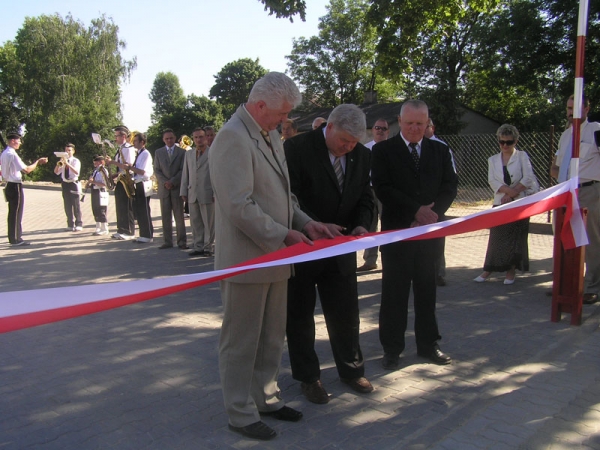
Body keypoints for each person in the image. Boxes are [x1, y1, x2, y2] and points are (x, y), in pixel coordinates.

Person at [209, 72, 336, 441]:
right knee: (241, 340)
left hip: (277, 257)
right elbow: (238, 206)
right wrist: (283, 235)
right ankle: (239, 411)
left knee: (270, 337)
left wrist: (308, 224)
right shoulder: (232, 137)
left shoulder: (268, 134)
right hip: (248, 260)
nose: (285, 122)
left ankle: (266, 397)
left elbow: (283, 196)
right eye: (281, 114)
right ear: (260, 105)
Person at [284, 104, 375, 404]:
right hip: (304, 247)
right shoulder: (296, 148)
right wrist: (313, 224)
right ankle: (309, 378)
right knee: (300, 316)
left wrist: (362, 225)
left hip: (341, 249)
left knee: (346, 314)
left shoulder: (362, 155)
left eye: (353, 143)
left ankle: (351, 370)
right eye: (344, 141)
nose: (348, 148)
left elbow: (365, 197)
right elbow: (289, 197)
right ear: (331, 126)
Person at [372, 99, 458, 370]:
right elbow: (382, 187)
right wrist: (414, 212)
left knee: (427, 291)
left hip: (429, 234)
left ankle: (428, 344)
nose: (414, 128)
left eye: (420, 124)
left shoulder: (439, 150)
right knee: (394, 293)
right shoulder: (383, 150)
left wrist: (432, 214)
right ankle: (392, 349)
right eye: (409, 123)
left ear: (427, 123)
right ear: (400, 120)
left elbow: (450, 185)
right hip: (398, 233)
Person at [474, 124, 538, 285]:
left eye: (508, 142)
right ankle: (488, 269)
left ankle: (511, 271)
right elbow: (492, 181)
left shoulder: (522, 156)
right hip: (500, 202)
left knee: (516, 238)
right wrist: (507, 192)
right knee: (497, 237)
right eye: (501, 142)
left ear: (515, 141)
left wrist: (512, 193)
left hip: (519, 203)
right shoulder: (493, 160)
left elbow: (528, 178)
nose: (504, 145)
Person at [551, 95, 600, 304]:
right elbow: (556, 166)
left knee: (590, 240)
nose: (570, 112)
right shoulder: (565, 135)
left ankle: (591, 286)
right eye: (568, 108)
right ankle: (566, 285)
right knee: (564, 237)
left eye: (575, 108)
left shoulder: (595, 129)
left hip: (589, 191)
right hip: (565, 192)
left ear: (587, 109)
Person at [424, 118, 456, 287]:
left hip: (437, 205)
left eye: (425, 125)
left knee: (437, 240)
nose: (421, 129)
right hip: (419, 207)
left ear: (432, 128)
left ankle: (439, 273)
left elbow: (450, 180)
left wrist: (438, 207)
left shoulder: (442, 149)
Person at [1, 131, 48, 245]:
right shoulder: (12, 154)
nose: (20, 143)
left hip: (8, 184)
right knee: (17, 212)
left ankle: (13, 237)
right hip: (15, 184)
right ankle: (16, 238)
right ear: (13, 141)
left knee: (13, 212)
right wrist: (37, 162)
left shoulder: (4, 153)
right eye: (19, 140)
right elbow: (26, 170)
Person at [358, 118, 390, 272]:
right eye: (377, 127)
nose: (380, 131)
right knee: (370, 225)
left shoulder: (393, 149)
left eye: (383, 128)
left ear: (388, 132)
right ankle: (370, 260)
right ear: (373, 130)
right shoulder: (366, 149)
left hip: (386, 191)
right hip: (369, 190)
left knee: (387, 224)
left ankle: (389, 260)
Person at [111, 132, 154, 243]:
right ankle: (143, 234)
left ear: (142, 142)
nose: (133, 142)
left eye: (135, 141)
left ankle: (148, 235)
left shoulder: (145, 154)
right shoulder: (138, 153)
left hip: (144, 183)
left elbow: (143, 171)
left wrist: (129, 167)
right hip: (138, 183)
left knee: (144, 210)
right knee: (139, 210)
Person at [181, 127, 214, 257]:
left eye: (201, 137)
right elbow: (185, 173)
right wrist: (183, 190)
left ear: (206, 137)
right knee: (195, 222)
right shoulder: (189, 154)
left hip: (208, 192)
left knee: (209, 223)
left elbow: (216, 174)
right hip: (192, 192)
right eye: (196, 137)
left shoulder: (213, 152)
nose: (198, 140)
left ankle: (208, 247)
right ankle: (198, 246)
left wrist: (215, 192)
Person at [154, 128, 187, 249]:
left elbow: (183, 169)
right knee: (165, 217)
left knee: (179, 217)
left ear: (174, 138)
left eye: (171, 138)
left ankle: (182, 242)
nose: (169, 140)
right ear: (163, 140)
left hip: (177, 188)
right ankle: (167, 242)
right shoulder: (158, 152)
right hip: (164, 189)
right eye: (166, 138)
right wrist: (165, 182)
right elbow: (157, 170)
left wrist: (172, 181)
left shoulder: (182, 152)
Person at [108, 126, 136, 240]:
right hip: (120, 178)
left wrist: (112, 162)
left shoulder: (128, 148)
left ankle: (129, 231)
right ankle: (121, 229)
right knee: (120, 205)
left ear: (123, 136)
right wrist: (113, 175)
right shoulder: (120, 148)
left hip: (127, 179)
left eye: (117, 136)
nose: (115, 138)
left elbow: (128, 166)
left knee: (127, 206)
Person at [53, 143, 83, 232]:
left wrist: (67, 164)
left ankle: (79, 223)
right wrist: (59, 164)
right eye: (66, 150)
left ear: (73, 151)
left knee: (76, 204)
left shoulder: (75, 161)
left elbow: (77, 172)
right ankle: (70, 224)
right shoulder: (62, 160)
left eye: (69, 150)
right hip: (65, 183)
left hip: (73, 183)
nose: (67, 152)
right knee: (67, 204)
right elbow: (56, 172)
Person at [87, 155, 111, 236]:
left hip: (101, 192)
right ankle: (99, 226)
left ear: (102, 162)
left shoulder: (103, 171)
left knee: (102, 210)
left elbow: (104, 184)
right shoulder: (96, 171)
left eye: (96, 163)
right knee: (95, 209)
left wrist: (93, 182)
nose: (95, 164)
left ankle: (105, 228)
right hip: (95, 191)